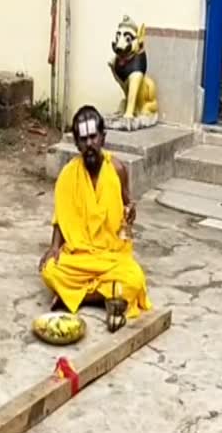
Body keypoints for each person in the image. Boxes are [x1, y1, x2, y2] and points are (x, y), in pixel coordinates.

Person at [39, 105, 152, 318]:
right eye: (83, 139)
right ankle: (107, 296)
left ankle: (75, 296)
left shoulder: (118, 170)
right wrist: (54, 247)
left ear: (103, 137)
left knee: (134, 279)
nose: (89, 144)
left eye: (93, 137)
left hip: (110, 256)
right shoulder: (68, 174)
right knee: (49, 270)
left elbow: (128, 204)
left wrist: (131, 212)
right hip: (79, 256)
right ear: (76, 143)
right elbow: (61, 217)